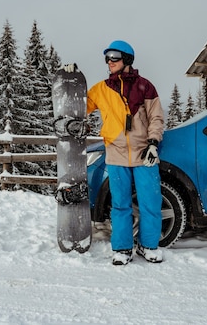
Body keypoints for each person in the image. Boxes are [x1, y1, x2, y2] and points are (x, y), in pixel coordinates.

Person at [64, 40, 165, 265]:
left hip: (143, 153)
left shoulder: (145, 86)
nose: (110, 61)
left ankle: (148, 245)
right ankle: (122, 249)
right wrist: (71, 82)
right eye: (107, 57)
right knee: (120, 204)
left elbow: (156, 118)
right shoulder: (101, 89)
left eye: (115, 57)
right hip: (116, 153)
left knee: (150, 202)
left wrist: (152, 143)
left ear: (127, 59)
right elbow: (80, 107)